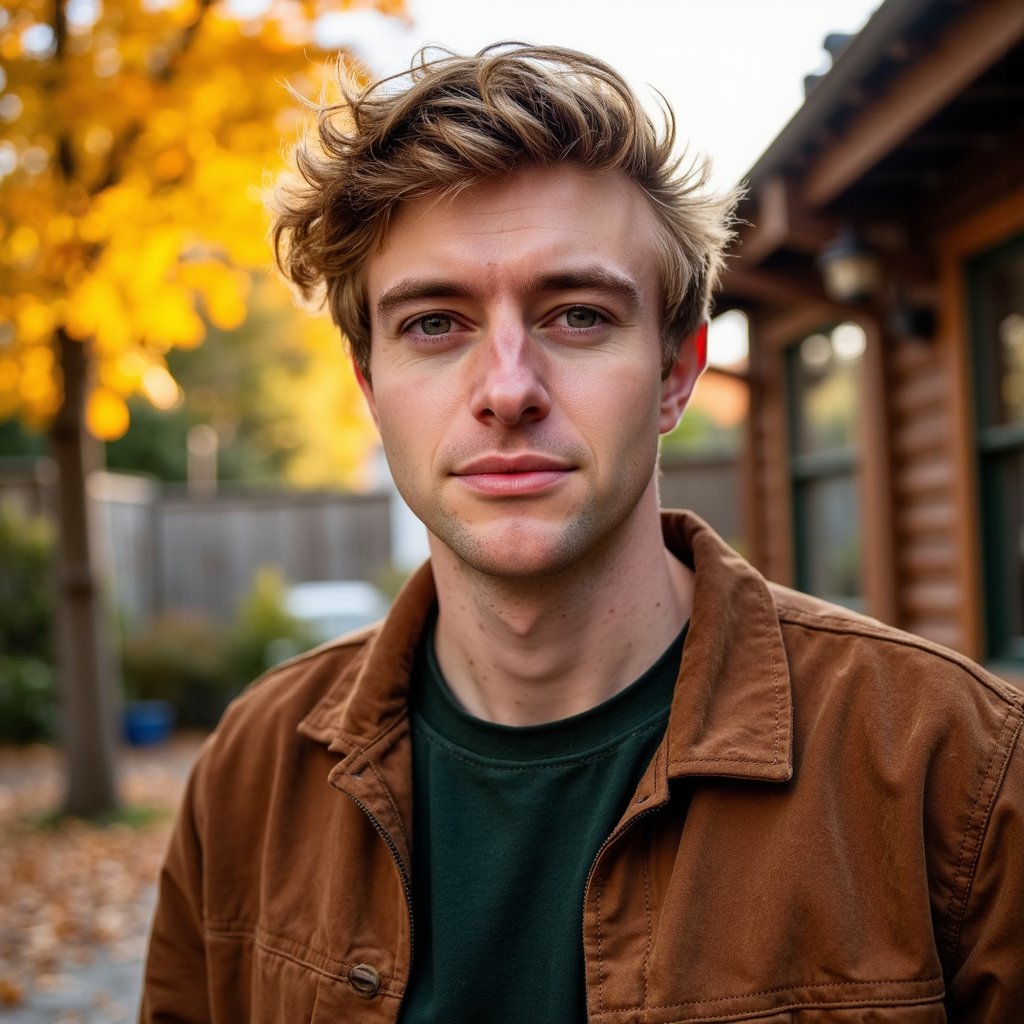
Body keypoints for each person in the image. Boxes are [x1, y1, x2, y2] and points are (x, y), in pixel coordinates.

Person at [140, 44, 1024, 1023]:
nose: (508, 390)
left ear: (677, 372)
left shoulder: (955, 773)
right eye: (435, 323)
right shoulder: (251, 776)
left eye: (576, 314)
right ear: (368, 385)